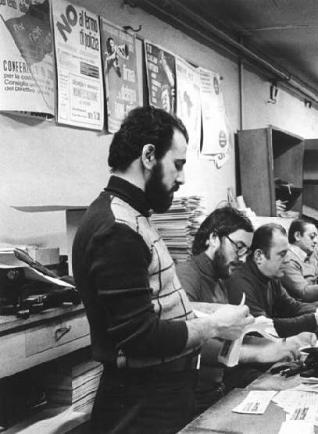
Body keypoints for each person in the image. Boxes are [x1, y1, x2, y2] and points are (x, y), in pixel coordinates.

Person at [72, 106, 253, 434]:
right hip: (141, 405)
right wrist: (213, 325)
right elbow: (140, 338)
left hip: (157, 397)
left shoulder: (132, 217)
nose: (182, 178)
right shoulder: (117, 228)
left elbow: (154, 309)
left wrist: (202, 315)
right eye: (178, 165)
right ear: (149, 155)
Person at [176, 207, 313, 412]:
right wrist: (259, 353)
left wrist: (280, 344)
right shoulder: (186, 278)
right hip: (194, 400)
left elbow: (233, 335)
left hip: (216, 390)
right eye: (238, 247)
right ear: (214, 238)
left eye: (245, 251)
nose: (241, 258)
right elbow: (188, 345)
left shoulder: (221, 277)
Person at [225, 223, 318, 337]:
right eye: (282, 254)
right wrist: (316, 319)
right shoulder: (240, 282)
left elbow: (291, 307)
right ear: (259, 256)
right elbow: (263, 328)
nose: (287, 260)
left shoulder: (272, 276)